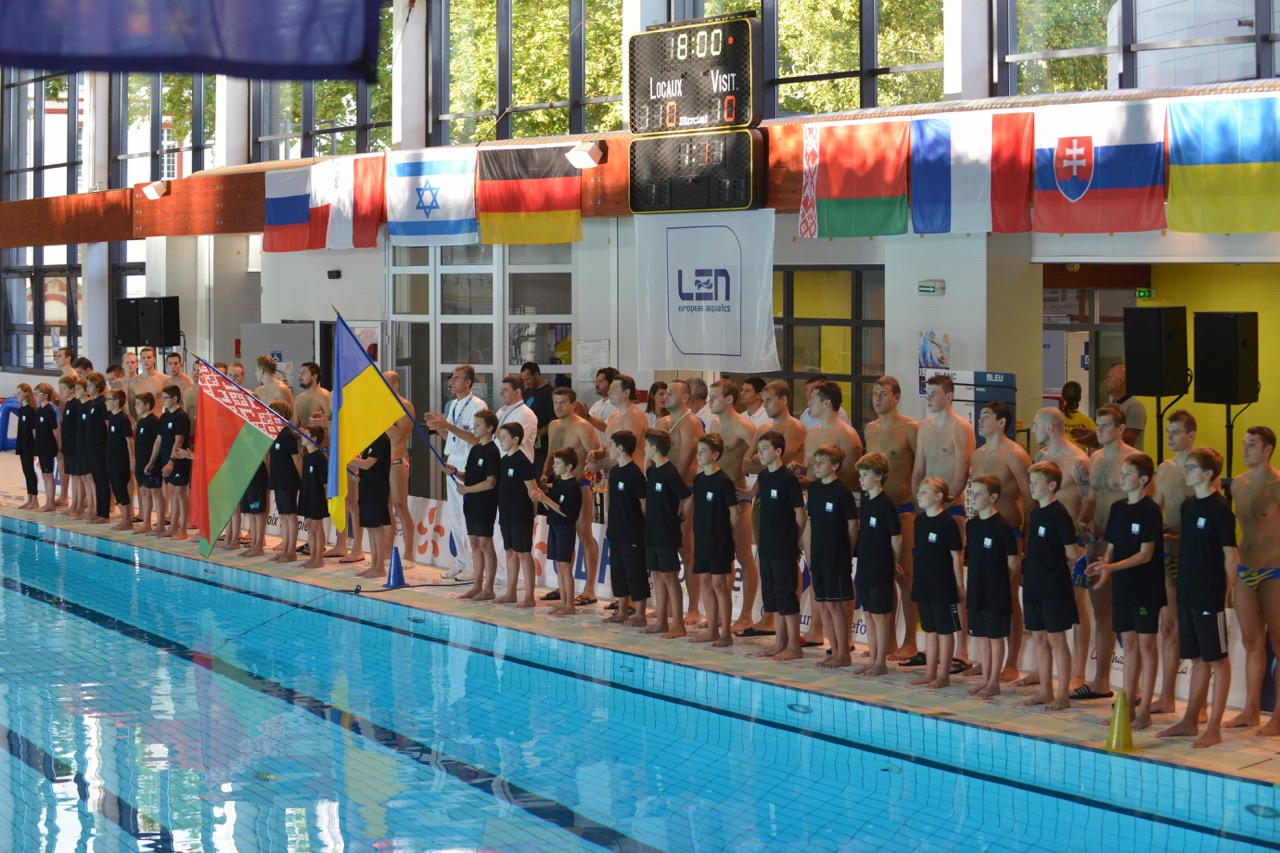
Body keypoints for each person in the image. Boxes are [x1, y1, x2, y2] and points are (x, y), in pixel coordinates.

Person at [1157, 447, 1237, 749]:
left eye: (1191, 468)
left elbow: (1231, 556)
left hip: (1209, 594)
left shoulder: (1219, 508)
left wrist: (1226, 594)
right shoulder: (1190, 507)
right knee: (1196, 657)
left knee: (1218, 659)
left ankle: (1213, 726)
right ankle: (1191, 719)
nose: (1185, 472)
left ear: (1208, 474)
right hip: (1187, 591)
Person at [1086, 452, 1164, 730]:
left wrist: (1112, 568)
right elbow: (1112, 546)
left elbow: (1145, 554)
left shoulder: (1150, 510)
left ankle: (1145, 711)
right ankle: (1128, 707)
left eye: (1128, 474)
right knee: (1128, 645)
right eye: (1122, 473)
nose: (1122, 478)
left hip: (1146, 587)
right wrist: (1103, 567)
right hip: (1124, 587)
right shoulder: (1119, 508)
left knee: (1147, 646)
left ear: (1143, 480)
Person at [1076, 404, 1138, 701]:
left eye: (1104, 425)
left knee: (1129, 619)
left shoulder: (1135, 460)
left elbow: (1140, 508)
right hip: (1097, 543)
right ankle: (1101, 681)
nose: (1098, 430)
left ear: (1121, 429)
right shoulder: (1096, 458)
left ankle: (1135, 689)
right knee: (1102, 616)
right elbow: (1091, 499)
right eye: (1097, 425)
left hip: (1124, 548)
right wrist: (1081, 522)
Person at [969, 401, 1033, 681]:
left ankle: (1012, 662)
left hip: (1010, 533)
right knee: (983, 596)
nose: (980, 420)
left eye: (986, 416)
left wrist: (1028, 537)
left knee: (1007, 597)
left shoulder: (1016, 454)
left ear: (1002, 422)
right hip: (981, 534)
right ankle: (987, 660)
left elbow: (1030, 498)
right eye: (980, 416)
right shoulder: (977, 454)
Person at [1030, 405, 1092, 691]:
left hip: (1072, 542)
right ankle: (1041, 672)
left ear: (1050, 428)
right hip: (1045, 543)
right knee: (1041, 614)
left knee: (1077, 607)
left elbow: (1088, 503)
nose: (1033, 430)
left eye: (1036, 425)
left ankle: (1078, 671)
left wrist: (1085, 543)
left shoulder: (1078, 460)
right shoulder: (1041, 458)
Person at [740, 380, 808, 635]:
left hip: (787, 507)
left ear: (784, 400)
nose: (765, 405)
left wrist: (761, 461)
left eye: (769, 400)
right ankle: (771, 620)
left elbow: (777, 465)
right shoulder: (765, 428)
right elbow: (746, 465)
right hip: (762, 498)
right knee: (767, 564)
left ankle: (791, 630)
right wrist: (760, 463)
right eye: (764, 400)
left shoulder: (796, 427)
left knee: (787, 569)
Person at [1226, 426, 1280, 735]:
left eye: (1251, 445)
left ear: (1268, 449)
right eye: (1244, 444)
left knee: (1278, 643)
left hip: (1275, 571)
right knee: (1251, 642)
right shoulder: (1238, 485)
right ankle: (1250, 710)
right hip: (1245, 570)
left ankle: (1279, 716)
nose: (1245, 449)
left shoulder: (1278, 484)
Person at [863, 376, 919, 663]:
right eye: (875, 393)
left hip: (903, 509)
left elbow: (919, 468)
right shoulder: (869, 430)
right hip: (876, 513)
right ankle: (890, 640)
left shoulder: (909, 428)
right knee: (884, 577)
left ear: (896, 397)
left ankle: (910, 641)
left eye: (883, 394)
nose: (877, 398)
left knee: (904, 576)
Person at [1020, 461, 1083, 711]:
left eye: (1036, 482)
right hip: (1034, 583)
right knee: (1038, 638)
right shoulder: (1036, 513)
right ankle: (1045, 691)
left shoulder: (1059, 514)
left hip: (1054, 586)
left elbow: (1071, 553)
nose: (1031, 486)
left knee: (1057, 639)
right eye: (1031, 481)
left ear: (1052, 485)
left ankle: (1062, 694)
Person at [705, 380, 761, 636]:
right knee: (719, 559)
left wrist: (754, 490)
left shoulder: (744, 426)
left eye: (714, 397)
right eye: (709, 396)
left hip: (737, 499)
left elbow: (768, 459)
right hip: (713, 501)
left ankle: (746, 615)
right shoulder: (713, 424)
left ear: (729, 399)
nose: (709, 401)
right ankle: (719, 616)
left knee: (743, 557)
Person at [423, 364, 488, 581]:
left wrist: (448, 426)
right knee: (455, 517)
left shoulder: (478, 406)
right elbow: (450, 438)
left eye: (456, 378)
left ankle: (473, 565)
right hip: (453, 461)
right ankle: (460, 561)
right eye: (451, 378)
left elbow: (476, 439)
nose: (451, 382)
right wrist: (438, 425)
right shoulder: (453, 405)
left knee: (468, 516)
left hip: (468, 465)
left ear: (468, 382)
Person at [1152, 409, 1197, 715]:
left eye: (1176, 432)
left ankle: (1198, 704)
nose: (1169, 437)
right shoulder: (1164, 470)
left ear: (1191, 436)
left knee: (1195, 629)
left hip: (1195, 558)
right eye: (1168, 431)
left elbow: (1209, 516)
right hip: (1169, 556)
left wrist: (1181, 537)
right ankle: (1166, 696)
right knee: (1168, 627)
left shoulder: (1203, 468)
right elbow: (1155, 510)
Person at [543, 386, 602, 605]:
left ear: (573, 404)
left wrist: (583, 479)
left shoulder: (583, 427)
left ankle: (589, 590)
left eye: (563, 402)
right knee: (564, 536)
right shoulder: (553, 426)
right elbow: (551, 453)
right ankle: (564, 587)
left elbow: (595, 457)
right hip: (559, 485)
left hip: (580, 485)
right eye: (556, 402)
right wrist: (543, 473)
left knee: (584, 535)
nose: (558, 406)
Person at [750, 431, 806, 662]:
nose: (760, 453)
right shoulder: (763, 477)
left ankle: (794, 645)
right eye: (759, 449)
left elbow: (800, 515)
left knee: (787, 596)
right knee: (773, 597)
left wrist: (794, 540)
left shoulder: (787, 479)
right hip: (767, 546)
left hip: (784, 547)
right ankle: (780, 642)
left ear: (778, 451)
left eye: (764, 448)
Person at [653, 379, 705, 623]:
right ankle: (666, 607)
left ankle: (693, 607)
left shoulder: (691, 423)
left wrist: (672, 490)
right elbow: (652, 456)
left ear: (685, 398)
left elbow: (684, 462)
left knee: (686, 548)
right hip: (663, 489)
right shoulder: (662, 422)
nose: (666, 396)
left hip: (684, 490)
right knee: (662, 548)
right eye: (665, 393)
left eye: (672, 393)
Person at [909, 476, 965, 690]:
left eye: (924, 492)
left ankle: (944, 674)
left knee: (944, 631)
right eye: (919, 492)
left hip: (943, 586)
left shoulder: (948, 523)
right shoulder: (920, 521)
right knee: (930, 630)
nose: (918, 495)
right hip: (924, 583)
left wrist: (959, 585)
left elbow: (956, 556)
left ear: (938, 496)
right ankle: (930, 671)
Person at [965, 475, 1018, 700]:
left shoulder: (1002, 527)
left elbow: (1013, 562)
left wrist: (998, 581)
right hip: (976, 589)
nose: (972, 497)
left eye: (978, 493)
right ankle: (985, 679)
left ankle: (994, 682)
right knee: (982, 637)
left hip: (996, 591)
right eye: (972, 492)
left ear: (993, 497)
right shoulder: (972, 525)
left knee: (995, 638)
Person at [852, 451, 900, 676]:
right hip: (865, 565)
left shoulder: (885, 503)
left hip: (881, 566)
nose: (860, 479)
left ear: (879, 476)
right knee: (869, 613)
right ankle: (873, 657)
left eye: (864, 474)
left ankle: (881, 661)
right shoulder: (868, 502)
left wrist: (893, 563)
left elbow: (896, 538)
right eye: (860, 475)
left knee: (881, 616)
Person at [690, 433, 739, 648]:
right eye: (698, 451)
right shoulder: (699, 480)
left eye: (703, 451)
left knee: (720, 585)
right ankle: (711, 629)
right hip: (702, 539)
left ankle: (725, 632)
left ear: (715, 455)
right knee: (706, 583)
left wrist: (727, 536)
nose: (698, 455)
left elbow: (735, 515)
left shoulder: (724, 481)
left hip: (719, 541)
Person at [642, 428, 692, 639]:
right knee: (656, 574)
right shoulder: (652, 472)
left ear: (654, 448)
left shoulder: (670, 472)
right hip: (652, 530)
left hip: (666, 532)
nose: (643, 449)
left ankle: (678, 624)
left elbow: (687, 497)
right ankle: (661, 621)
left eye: (646, 446)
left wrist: (680, 516)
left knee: (670, 577)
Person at [449, 410, 500, 601]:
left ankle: (489, 588)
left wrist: (467, 490)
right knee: (474, 543)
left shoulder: (492, 451)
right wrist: (456, 472)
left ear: (489, 428)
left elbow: (490, 482)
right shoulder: (476, 449)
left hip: (485, 503)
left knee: (486, 544)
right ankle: (476, 585)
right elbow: (469, 477)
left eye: (478, 425)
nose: (474, 428)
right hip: (470, 502)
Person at [602, 431, 649, 626]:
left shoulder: (634, 473)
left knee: (635, 572)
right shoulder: (615, 472)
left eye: (611, 445)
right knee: (618, 572)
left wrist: (643, 528)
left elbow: (644, 504)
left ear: (620, 448)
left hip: (632, 532)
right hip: (616, 530)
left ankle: (640, 614)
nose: (608, 449)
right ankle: (622, 610)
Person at [532, 447, 584, 616]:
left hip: (565, 529)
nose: (554, 466)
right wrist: (541, 498)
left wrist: (546, 499)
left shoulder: (573, 486)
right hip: (555, 526)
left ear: (568, 467)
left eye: (558, 463)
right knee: (559, 566)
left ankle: (570, 605)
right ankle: (563, 603)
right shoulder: (559, 482)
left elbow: (567, 512)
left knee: (566, 567)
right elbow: (552, 507)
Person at [494, 422, 538, 608]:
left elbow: (533, 490)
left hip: (521, 514)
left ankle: (529, 596)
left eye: (504, 437)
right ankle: (511, 592)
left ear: (515, 439)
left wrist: (532, 512)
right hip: (506, 513)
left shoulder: (522, 461)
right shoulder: (504, 461)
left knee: (524, 553)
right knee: (510, 552)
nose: (500, 439)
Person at [382, 370, 417, 567]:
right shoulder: (383, 406)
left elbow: (398, 437)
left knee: (400, 506)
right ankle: (387, 553)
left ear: (395, 386)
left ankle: (409, 555)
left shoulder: (406, 406)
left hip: (397, 459)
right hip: (381, 459)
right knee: (385, 508)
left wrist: (382, 416)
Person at [1071, 363, 1147, 452]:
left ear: (1120, 381)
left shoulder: (1135, 407)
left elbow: (1128, 440)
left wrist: (1095, 435)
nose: (1105, 381)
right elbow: (1103, 443)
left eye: (1109, 378)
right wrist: (1090, 436)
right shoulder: (1107, 407)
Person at [350, 429, 393, 579]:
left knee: (376, 528)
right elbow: (369, 468)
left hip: (377, 489)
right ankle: (374, 565)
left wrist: (347, 458)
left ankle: (380, 567)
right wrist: (359, 475)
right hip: (367, 487)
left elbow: (368, 464)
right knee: (370, 527)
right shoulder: (371, 441)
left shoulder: (382, 439)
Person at [267, 400, 303, 564]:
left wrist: (304, 481)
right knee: (283, 515)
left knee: (290, 515)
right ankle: (285, 549)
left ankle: (291, 551)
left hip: (288, 481)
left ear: (279, 415)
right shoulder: (275, 434)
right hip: (278, 480)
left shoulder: (287, 435)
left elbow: (297, 460)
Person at [154, 385, 191, 541]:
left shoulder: (181, 416)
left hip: (179, 461)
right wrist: (152, 461)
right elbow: (160, 440)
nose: (162, 401)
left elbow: (179, 441)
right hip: (166, 459)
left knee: (180, 494)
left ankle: (183, 529)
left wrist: (171, 462)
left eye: (165, 398)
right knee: (173, 494)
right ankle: (173, 527)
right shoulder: (164, 416)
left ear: (175, 399)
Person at [81, 373, 111, 525]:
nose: (88, 388)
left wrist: (108, 446)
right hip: (92, 447)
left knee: (102, 480)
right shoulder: (92, 403)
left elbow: (107, 425)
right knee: (97, 480)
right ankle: (99, 512)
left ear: (98, 387)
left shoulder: (101, 403)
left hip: (101, 447)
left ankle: (104, 514)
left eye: (90, 385)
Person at [298, 425, 330, 569]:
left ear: (314, 439)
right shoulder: (306, 457)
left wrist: (327, 499)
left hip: (317, 496)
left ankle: (319, 559)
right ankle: (312, 557)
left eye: (306, 434)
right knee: (309, 524)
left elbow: (324, 482)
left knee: (317, 526)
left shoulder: (319, 457)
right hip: (306, 494)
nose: (302, 436)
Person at [132, 393, 163, 533]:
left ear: (147, 405)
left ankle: (160, 524)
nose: (135, 406)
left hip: (152, 464)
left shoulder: (154, 422)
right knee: (144, 493)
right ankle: (146, 523)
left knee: (156, 493)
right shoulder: (141, 422)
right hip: (141, 463)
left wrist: (151, 462)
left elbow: (158, 443)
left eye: (138, 404)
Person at [520, 361, 555, 477]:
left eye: (527, 379)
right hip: (528, 445)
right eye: (524, 380)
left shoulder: (548, 393)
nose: (526, 383)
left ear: (536, 375)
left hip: (543, 447)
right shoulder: (528, 391)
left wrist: (539, 432)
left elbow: (554, 421)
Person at [495, 374, 538, 463]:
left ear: (518, 392)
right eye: (501, 389)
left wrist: (491, 426)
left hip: (517, 467)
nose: (500, 393)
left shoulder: (525, 414)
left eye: (505, 390)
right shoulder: (501, 411)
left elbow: (513, 441)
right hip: (501, 464)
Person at [58, 375, 83, 518]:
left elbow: (78, 428)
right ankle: (74, 504)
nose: (61, 391)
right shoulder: (68, 404)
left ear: (72, 389)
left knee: (78, 477)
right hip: (68, 446)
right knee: (74, 476)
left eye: (63, 388)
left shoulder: (76, 405)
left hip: (75, 446)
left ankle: (78, 506)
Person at [33, 384, 59, 512]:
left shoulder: (49, 410)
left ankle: (51, 503)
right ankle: (48, 501)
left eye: (38, 393)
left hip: (48, 446)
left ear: (45, 395)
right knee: (45, 475)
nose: (35, 396)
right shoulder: (39, 411)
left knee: (49, 475)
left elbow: (54, 429)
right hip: (41, 446)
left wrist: (59, 444)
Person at [238, 455, 270, 558]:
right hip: (246, 473)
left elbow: (265, 456)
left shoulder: (258, 439)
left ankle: (259, 546)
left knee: (258, 512)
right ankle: (254, 544)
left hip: (258, 475)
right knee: (251, 512)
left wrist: (270, 476)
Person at [14, 383, 37, 509]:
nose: (17, 395)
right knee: (25, 471)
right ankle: (29, 498)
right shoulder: (21, 409)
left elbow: (34, 430)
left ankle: (35, 499)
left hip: (29, 445)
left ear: (27, 393)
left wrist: (36, 448)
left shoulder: (31, 411)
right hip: (22, 444)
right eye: (16, 392)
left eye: (20, 392)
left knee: (30, 471)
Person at [1060, 381, 1096, 451]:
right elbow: (1093, 450)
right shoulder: (1087, 421)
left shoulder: (1053, 420)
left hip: (1056, 461)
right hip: (1079, 461)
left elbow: (1044, 448)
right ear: (1079, 398)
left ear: (1062, 396)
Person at [582, 367, 619, 433]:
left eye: (600, 381)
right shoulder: (596, 404)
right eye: (596, 381)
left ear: (612, 383)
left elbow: (608, 428)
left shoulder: (618, 405)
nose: (596, 384)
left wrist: (587, 416)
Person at [131, 347, 167, 415]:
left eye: (149, 357)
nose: (146, 360)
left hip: (158, 420)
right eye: (143, 358)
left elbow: (171, 404)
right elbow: (132, 407)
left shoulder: (164, 380)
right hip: (141, 421)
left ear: (154, 359)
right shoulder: (133, 382)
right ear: (140, 360)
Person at [294, 361, 331, 427]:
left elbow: (333, 423)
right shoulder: (298, 399)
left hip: (320, 437)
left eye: (304, 373)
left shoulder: (323, 396)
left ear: (314, 377)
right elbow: (295, 425)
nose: (299, 376)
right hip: (303, 436)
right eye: (299, 373)